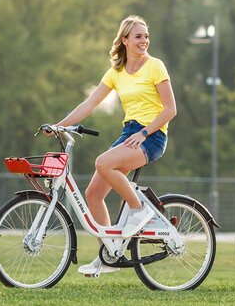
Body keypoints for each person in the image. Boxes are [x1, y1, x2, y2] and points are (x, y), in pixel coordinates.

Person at [53, 15, 176, 276]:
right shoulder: (116, 73)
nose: (144, 41)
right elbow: (90, 104)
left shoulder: (156, 66)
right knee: (93, 193)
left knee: (102, 162)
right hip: (129, 132)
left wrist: (144, 133)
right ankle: (109, 254)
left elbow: (170, 110)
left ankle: (139, 210)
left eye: (146, 36)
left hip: (152, 136)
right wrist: (60, 125)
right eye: (138, 36)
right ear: (125, 40)